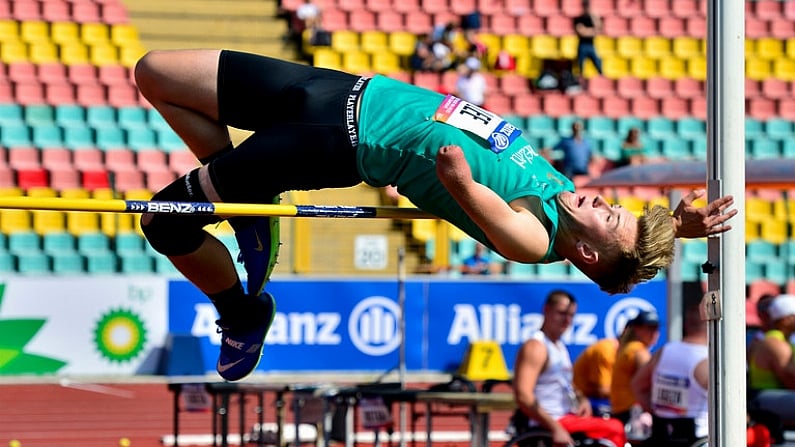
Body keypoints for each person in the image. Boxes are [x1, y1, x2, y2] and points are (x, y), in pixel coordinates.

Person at [133, 49, 737, 381]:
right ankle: (252, 200)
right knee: (155, 73)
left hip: (339, 138)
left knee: (163, 222)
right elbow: (628, 246)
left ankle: (242, 309)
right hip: (348, 87)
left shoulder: (537, 235)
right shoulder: (569, 202)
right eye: (613, 206)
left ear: (584, 252)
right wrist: (673, 226)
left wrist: (457, 176)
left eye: (607, 218)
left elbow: (473, 197)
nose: (602, 201)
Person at [632, 298, 771, 447]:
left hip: (663, 435)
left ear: (686, 324)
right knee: (762, 433)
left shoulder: (665, 351)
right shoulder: (715, 360)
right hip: (702, 440)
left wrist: (662, 413)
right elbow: (735, 412)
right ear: (714, 324)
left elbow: (637, 386)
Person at [512, 290, 627, 447]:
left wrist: (581, 398)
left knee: (612, 422)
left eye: (571, 315)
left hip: (566, 416)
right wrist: (555, 427)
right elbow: (523, 396)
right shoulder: (536, 346)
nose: (566, 320)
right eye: (561, 313)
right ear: (546, 310)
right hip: (551, 421)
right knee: (614, 428)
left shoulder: (558, 346)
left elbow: (563, 383)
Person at [747, 294, 795, 431]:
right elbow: (791, 381)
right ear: (786, 320)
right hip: (763, 400)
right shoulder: (776, 345)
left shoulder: (775, 341)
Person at [610, 309, 660, 424]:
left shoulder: (627, 347)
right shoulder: (637, 350)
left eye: (656, 328)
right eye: (649, 328)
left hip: (622, 413)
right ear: (637, 329)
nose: (654, 333)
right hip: (633, 415)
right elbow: (650, 384)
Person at [572, 336, 619, 417]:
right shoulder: (606, 349)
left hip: (590, 399)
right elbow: (603, 390)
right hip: (579, 401)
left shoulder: (625, 353)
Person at [573, 0, 603, 77]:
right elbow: (582, 32)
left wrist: (594, 17)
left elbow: (598, 28)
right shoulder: (578, 19)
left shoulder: (592, 18)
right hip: (582, 46)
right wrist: (592, 31)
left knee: (599, 67)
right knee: (581, 69)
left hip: (591, 45)